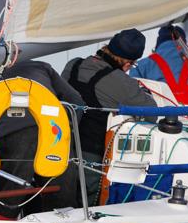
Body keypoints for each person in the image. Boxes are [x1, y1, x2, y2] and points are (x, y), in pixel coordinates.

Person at [0, 34, 86, 220]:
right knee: (61, 200)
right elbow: (76, 103)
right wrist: (67, 132)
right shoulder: (40, 67)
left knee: (10, 200)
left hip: (13, 141)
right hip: (53, 137)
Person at [62, 28, 157, 205]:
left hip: (59, 151)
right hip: (90, 160)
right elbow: (151, 113)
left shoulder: (72, 65)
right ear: (128, 64)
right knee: (84, 209)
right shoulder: (120, 81)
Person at [130, 25, 188, 105]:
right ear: (184, 43)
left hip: (161, 115)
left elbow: (132, 94)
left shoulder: (140, 66)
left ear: (158, 43)